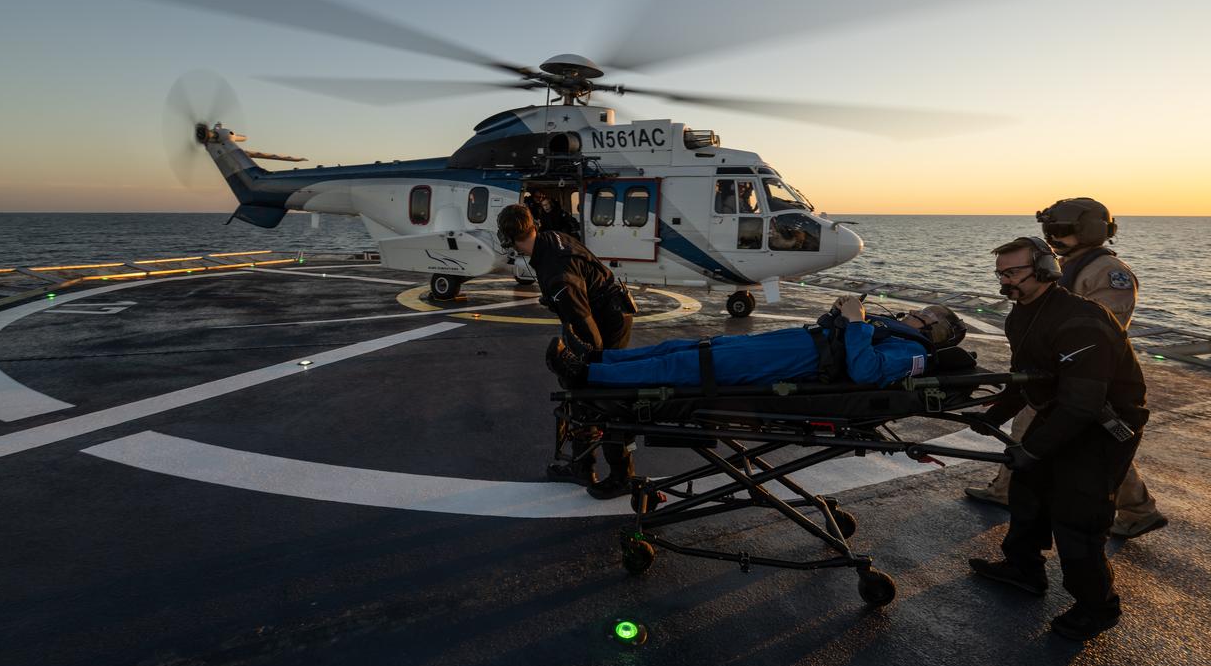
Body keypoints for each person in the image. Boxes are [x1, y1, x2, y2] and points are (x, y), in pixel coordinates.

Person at [968, 236, 1147, 642]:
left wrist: (1032, 448)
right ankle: (1023, 569)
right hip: (1061, 412)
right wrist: (993, 416)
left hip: (1103, 426)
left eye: (1012, 273)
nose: (1004, 281)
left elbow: (1083, 404)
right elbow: (1025, 379)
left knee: (1077, 517)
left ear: (1046, 270)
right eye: (1000, 273)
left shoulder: (1080, 320)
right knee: (1028, 493)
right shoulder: (1022, 315)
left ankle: (1096, 608)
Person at [964, 198, 1167, 539]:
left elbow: (1099, 328)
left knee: (1062, 444)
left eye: (1061, 230)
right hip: (1054, 377)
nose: (1054, 236)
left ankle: (1135, 511)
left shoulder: (1107, 272)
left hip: (1080, 381)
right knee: (1040, 437)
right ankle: (1007, 492)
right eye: (1052, 229)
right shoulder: (1064, 264)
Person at [496, 203, 638, 499]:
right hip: (604, 311)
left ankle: (622, 475)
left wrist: (588, 367)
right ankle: (582, 466)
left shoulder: (556, 274)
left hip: (607, 323)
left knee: (601, 395)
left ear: (510, 240)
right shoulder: (551, 238)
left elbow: (591, 339)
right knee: (583, 393)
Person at [547, 297, 967, 389]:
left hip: (791, 365)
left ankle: (586, 374)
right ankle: (598, 356)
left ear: (932, 328)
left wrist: (856, 323)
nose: (912, 313)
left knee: (689, 367)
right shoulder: (897, 332)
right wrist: (845, 315)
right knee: (683, 347)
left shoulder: (914, 352)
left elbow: (865, 371)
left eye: (922, 314)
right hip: (789, 345)